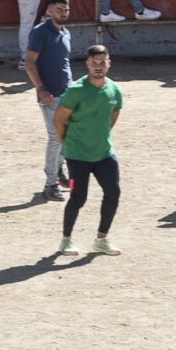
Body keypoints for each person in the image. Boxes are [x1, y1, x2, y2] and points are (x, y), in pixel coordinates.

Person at [51, 43, 123, 260]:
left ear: (109, 63)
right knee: (78, 197)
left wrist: (99, 138)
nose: (98, 67)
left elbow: (112, 117)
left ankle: (101, 239)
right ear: (87, 64)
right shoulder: (76, 91)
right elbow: (58, 121)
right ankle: (66, 239)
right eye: (94, 63)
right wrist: (68, 146)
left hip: (103, 153)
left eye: (102, 63)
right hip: (77, 156)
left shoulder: (114, 90)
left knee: (113, 192)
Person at [23, 0, 74, 201]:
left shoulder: (65, 32)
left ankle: (58, 172)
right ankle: (50, 184)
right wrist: (42, 90)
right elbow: (29, 63)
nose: (64, 13)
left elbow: (64, 64)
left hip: (67, 93)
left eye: (66, 10)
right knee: (55, 139)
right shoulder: (40, 32)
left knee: (67, 137)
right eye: (59, 9)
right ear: (49, 11)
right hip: (50, 95)